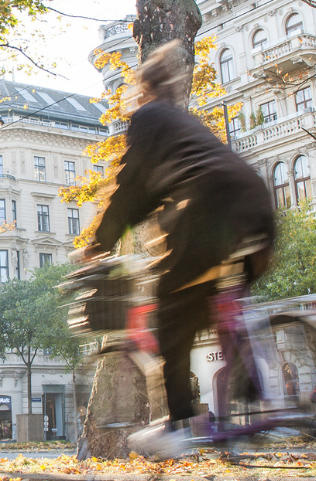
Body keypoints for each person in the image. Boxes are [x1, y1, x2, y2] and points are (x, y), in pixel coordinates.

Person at [82, 40, 275, 453]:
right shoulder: (185, 124)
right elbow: (154, 194)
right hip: (255, 202)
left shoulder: (149, 117)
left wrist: (99, 243)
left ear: (143, 89)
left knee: (170, 308)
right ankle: (260, 409)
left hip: (210, 208)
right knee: (219, 303)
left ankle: (179, 425)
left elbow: (131, 186)